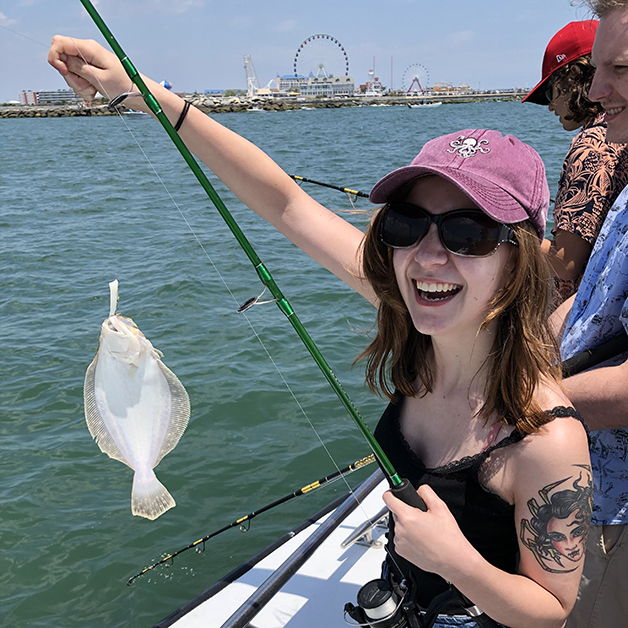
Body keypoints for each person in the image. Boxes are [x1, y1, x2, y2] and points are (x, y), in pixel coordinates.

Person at [48, 37, 592, 628]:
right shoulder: (410, 321)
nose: (429, 256)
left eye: (467, 234)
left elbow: (551, 610)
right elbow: (287, 205)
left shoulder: (548, 439)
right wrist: (142, 93)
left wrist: (457, 562)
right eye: (408, 225)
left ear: (517, 260)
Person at [548, 2, 628, 627]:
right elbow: (597, 291)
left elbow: (565, 268)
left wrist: (510, 405)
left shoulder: (590, 150)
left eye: (621, 68)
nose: (597, 92)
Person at [523, 20, 628, 307]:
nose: (549, 105)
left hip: (580, 318)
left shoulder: (590, 147)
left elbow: (566, 263)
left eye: (549, 91)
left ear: (573, 77)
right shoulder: (619, 134)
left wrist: (505, 233)